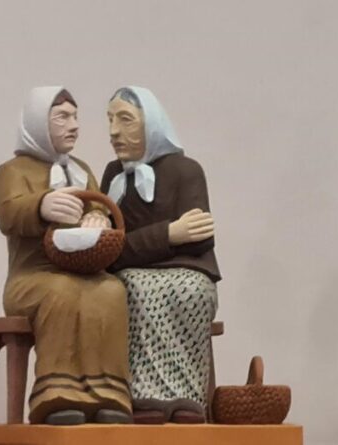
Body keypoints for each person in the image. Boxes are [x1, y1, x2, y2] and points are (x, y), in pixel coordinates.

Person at [0, 86, 132, 425]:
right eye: (62, 117)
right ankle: (57, 393)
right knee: (61, 291)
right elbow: (8, 214)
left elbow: (99, 204)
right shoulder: (13, 171)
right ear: (38, 123)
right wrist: (40, 205)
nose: (74, 125)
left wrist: (98, 217)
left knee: (112, 290)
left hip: (84, 272)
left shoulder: (81, 169)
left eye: (75, 117)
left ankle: (109, 393)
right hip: (31, 278)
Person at [100, 86, 219, 424]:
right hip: (131, 275)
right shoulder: (113, 176)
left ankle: (188, 396)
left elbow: (198, 240)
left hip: (188, 270)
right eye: (110, 120)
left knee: (191, 290)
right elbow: (110, 251)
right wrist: (169, 233)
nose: (113, 131)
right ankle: (142, 397)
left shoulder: (186, 170)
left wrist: (137, 245)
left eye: (125, 120)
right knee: (130, 288)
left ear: (151, 124)